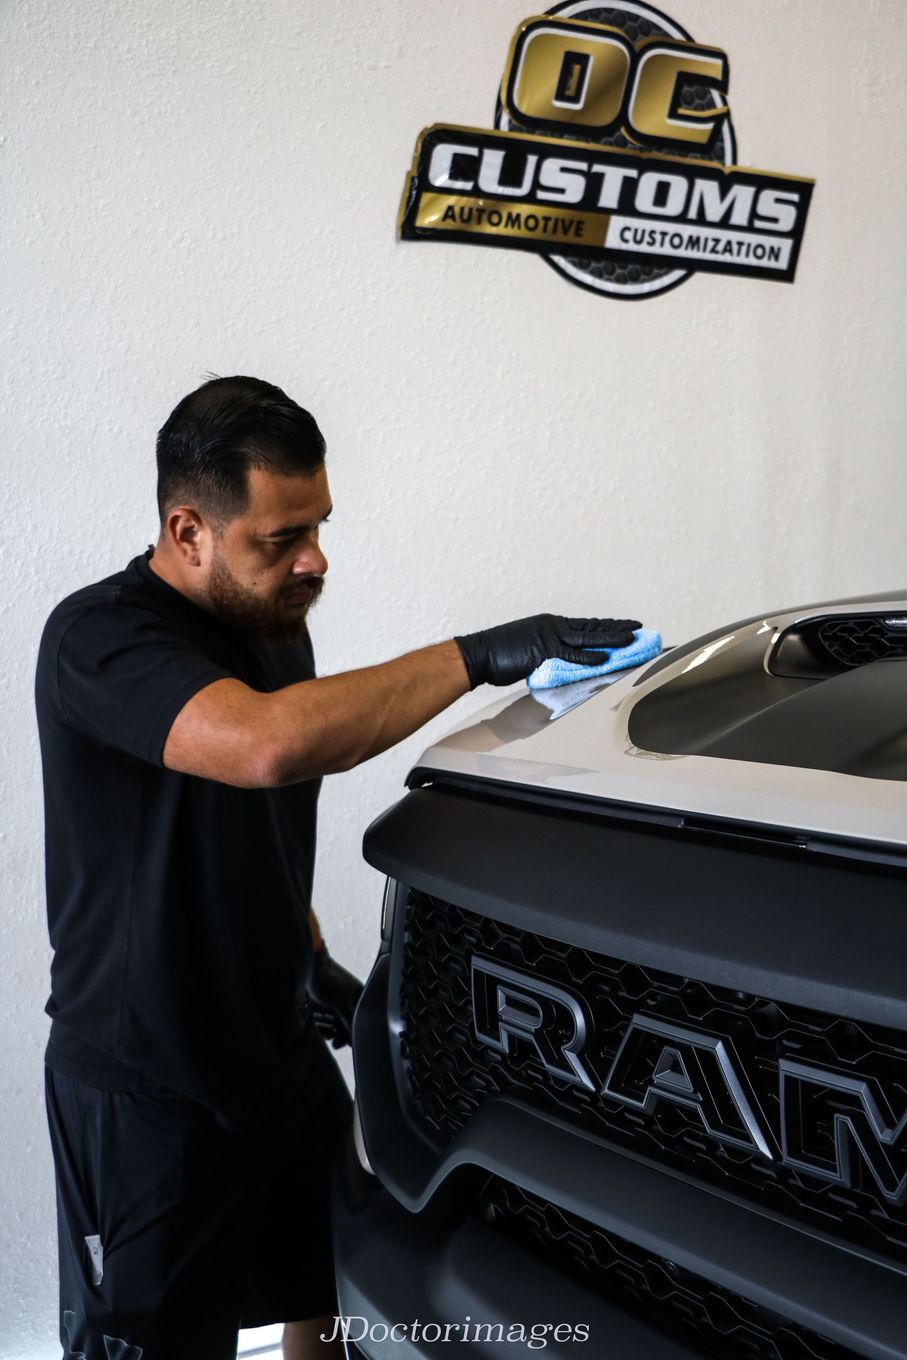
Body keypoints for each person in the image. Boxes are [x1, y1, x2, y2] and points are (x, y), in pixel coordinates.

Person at [34, 375, 640, 1359]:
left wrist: (305, 948)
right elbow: (263, 746)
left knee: (343, 1287)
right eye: (281, 539)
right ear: (187, 529)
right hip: (146, 1079)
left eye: (318, 524)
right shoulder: (99, 638)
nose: (313, 559)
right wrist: (481, 654)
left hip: (273, 1051)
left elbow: (258, 819)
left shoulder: (278, 627)